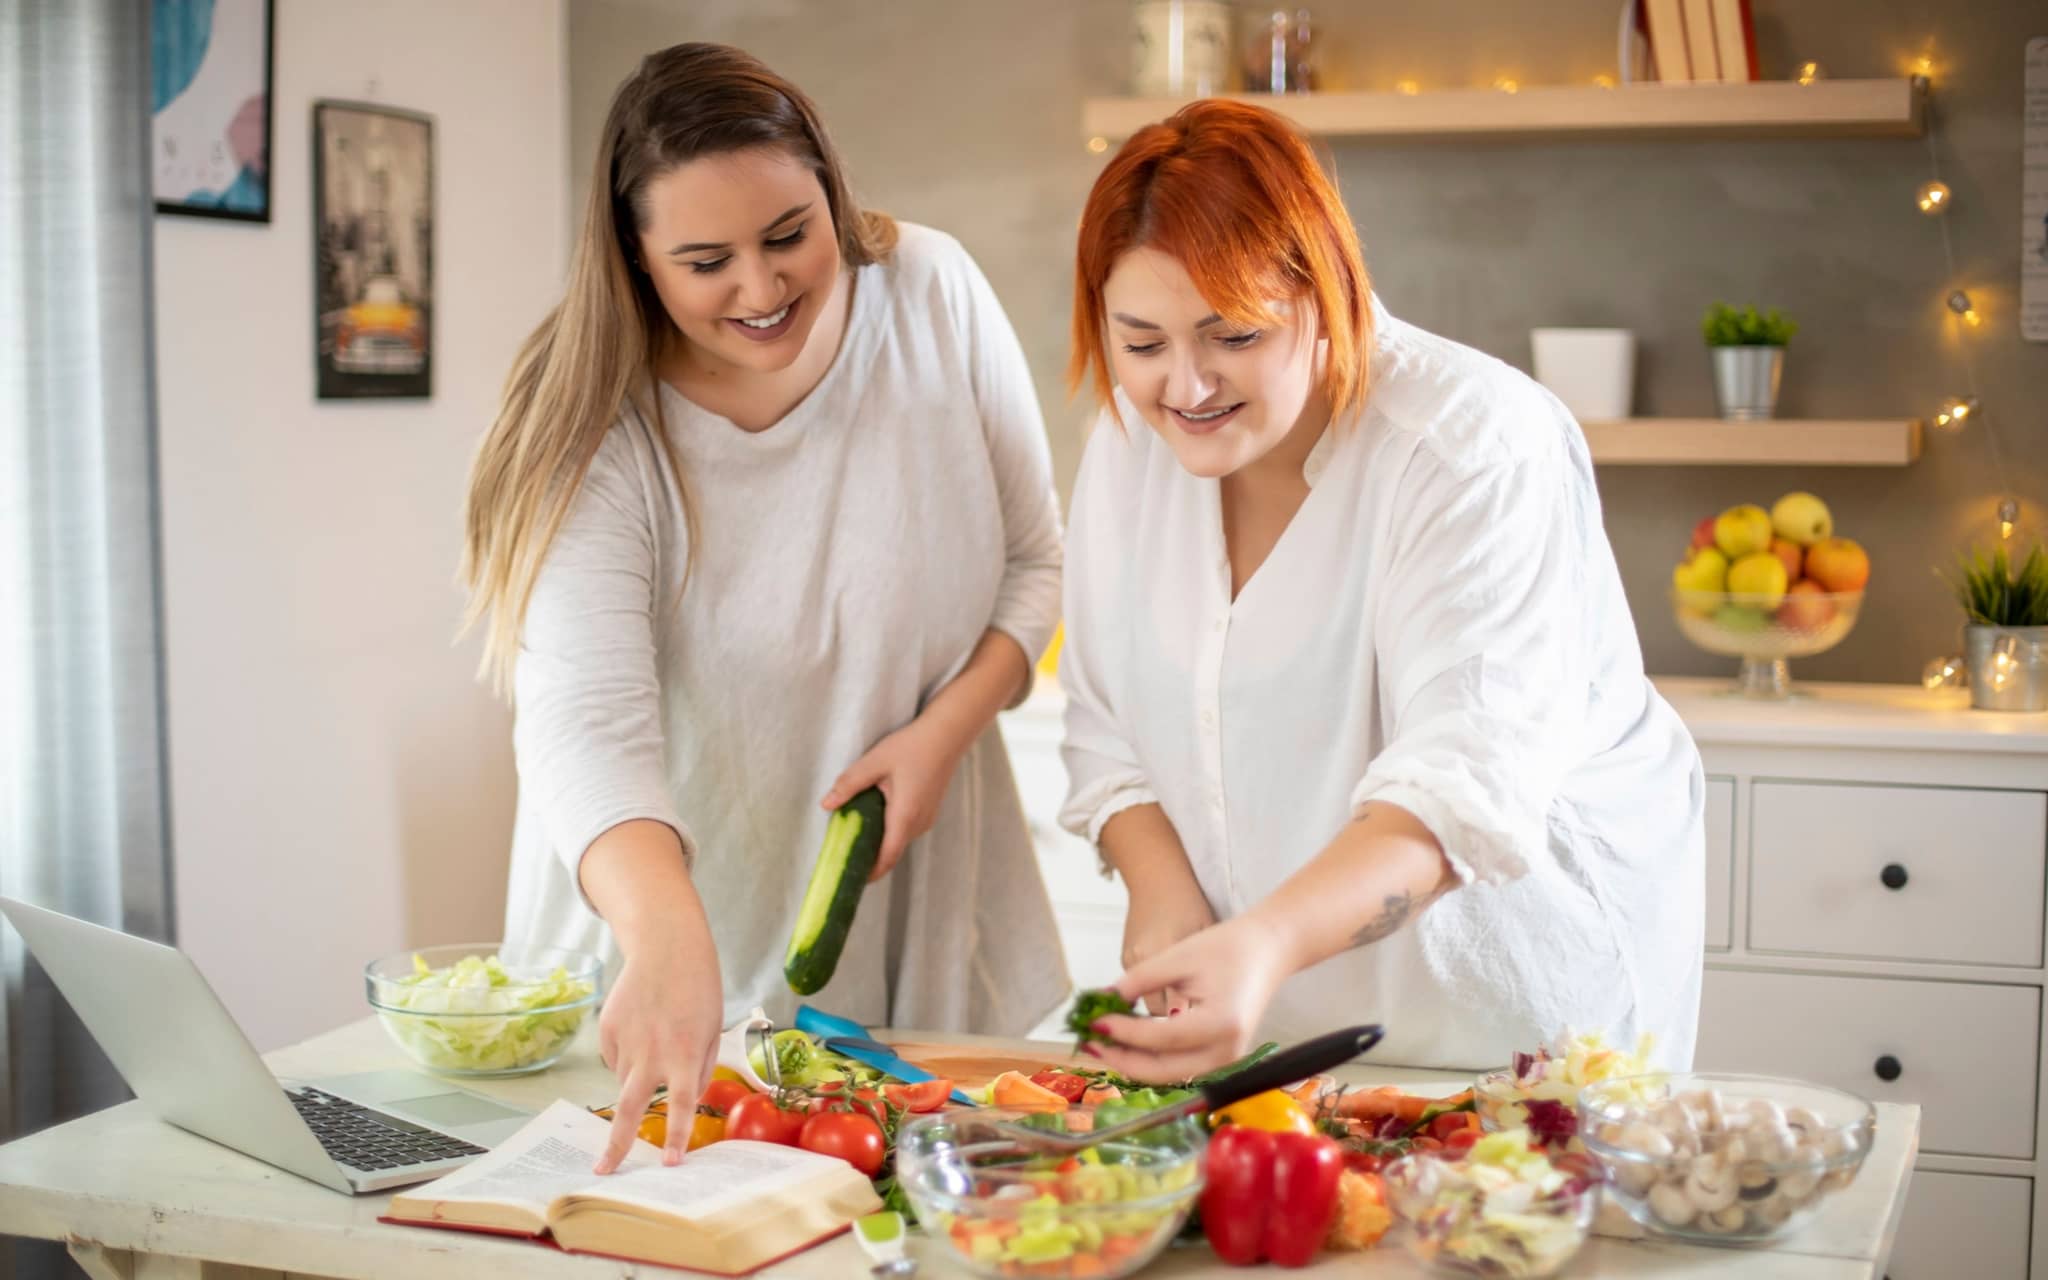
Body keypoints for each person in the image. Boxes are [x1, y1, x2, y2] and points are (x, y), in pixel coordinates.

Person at [460, 43, 1067, 1170]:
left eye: (789, 234)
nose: (761, 287)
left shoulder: (931, 295)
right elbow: (583, 724)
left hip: (905, 910)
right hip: (655, 932)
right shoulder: (596, 417)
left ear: (831, 189)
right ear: (635, 258)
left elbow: (1034, 563)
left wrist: (943, 731)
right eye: (705, 262)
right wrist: (665, 936)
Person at [1056, 100, 1704, 1082]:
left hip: (1511, 1013)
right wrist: (1163, 890)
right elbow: (1103, 721)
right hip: (1272, 1011)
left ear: (1322, 292)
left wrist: (1265, 941)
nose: (1184, 388)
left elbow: (1459, 783)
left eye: (1232, 335)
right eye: (1142, 343)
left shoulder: (1471, 445)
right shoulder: (1128, 445)